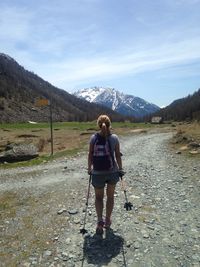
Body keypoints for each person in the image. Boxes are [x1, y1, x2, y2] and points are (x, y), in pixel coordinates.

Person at [88, 114, 123, 235]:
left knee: (98, 198)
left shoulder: (93, 138)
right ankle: (107, 220)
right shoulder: (115, 138)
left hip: (97, 173)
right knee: (110, 197)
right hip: (112, 172)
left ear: (98, 124)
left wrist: (89, 169)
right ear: (109, 124)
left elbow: (90, 155)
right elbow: (117, 155)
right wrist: (121, 169)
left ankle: (99, 221)